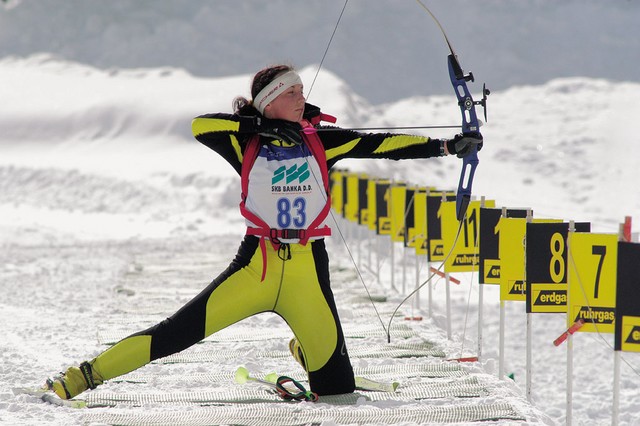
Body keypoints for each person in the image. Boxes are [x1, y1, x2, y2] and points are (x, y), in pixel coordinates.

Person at [44, 64, 482, 399]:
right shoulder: (243, 139)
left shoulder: (319, 140)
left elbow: (379, 143)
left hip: (308, 269)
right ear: (268, 101)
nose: (300, 97)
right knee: (174, 335)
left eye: (301, 91)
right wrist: (258, 125)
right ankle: (81, 378)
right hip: (256, 265)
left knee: (336, 390)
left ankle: (305, 348)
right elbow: (202, 125)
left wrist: (446, 146)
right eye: (290, 92)